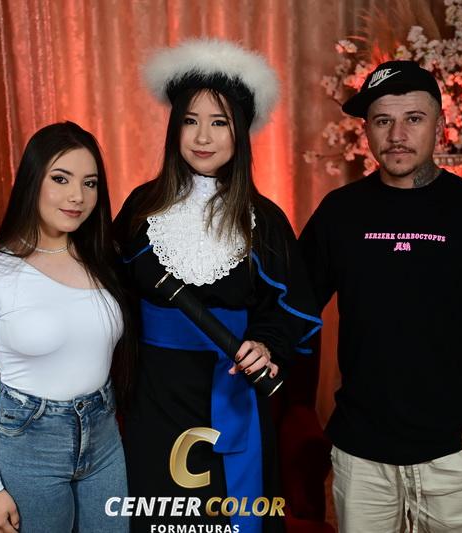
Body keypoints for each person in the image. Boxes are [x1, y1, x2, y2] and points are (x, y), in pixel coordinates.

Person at [299, 60, 462, 532]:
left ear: (439, 126)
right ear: (367, 131)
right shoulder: (339, 212)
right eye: (382, 121)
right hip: (362, 449)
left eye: (413, 118)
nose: (396, 135)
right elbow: (293, 301)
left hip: (453, 447)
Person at [114, 39, 321, 533]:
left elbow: (292, 309)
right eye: (190, 121)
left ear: (241, 132)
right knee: (158, 513)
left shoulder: (264, 219)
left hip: (231, 388)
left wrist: (265, 345)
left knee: (230, 513)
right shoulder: (142, 207)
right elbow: (109, 290)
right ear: (174, 128)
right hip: (154, 393)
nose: (202, 136)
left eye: (219, 122)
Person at [0, 122, 132, 533]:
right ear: (32, 181)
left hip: (104, 436)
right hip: (29, 443)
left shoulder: (104, 260)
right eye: (61, 179)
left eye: (89, 183)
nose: (77, 196)